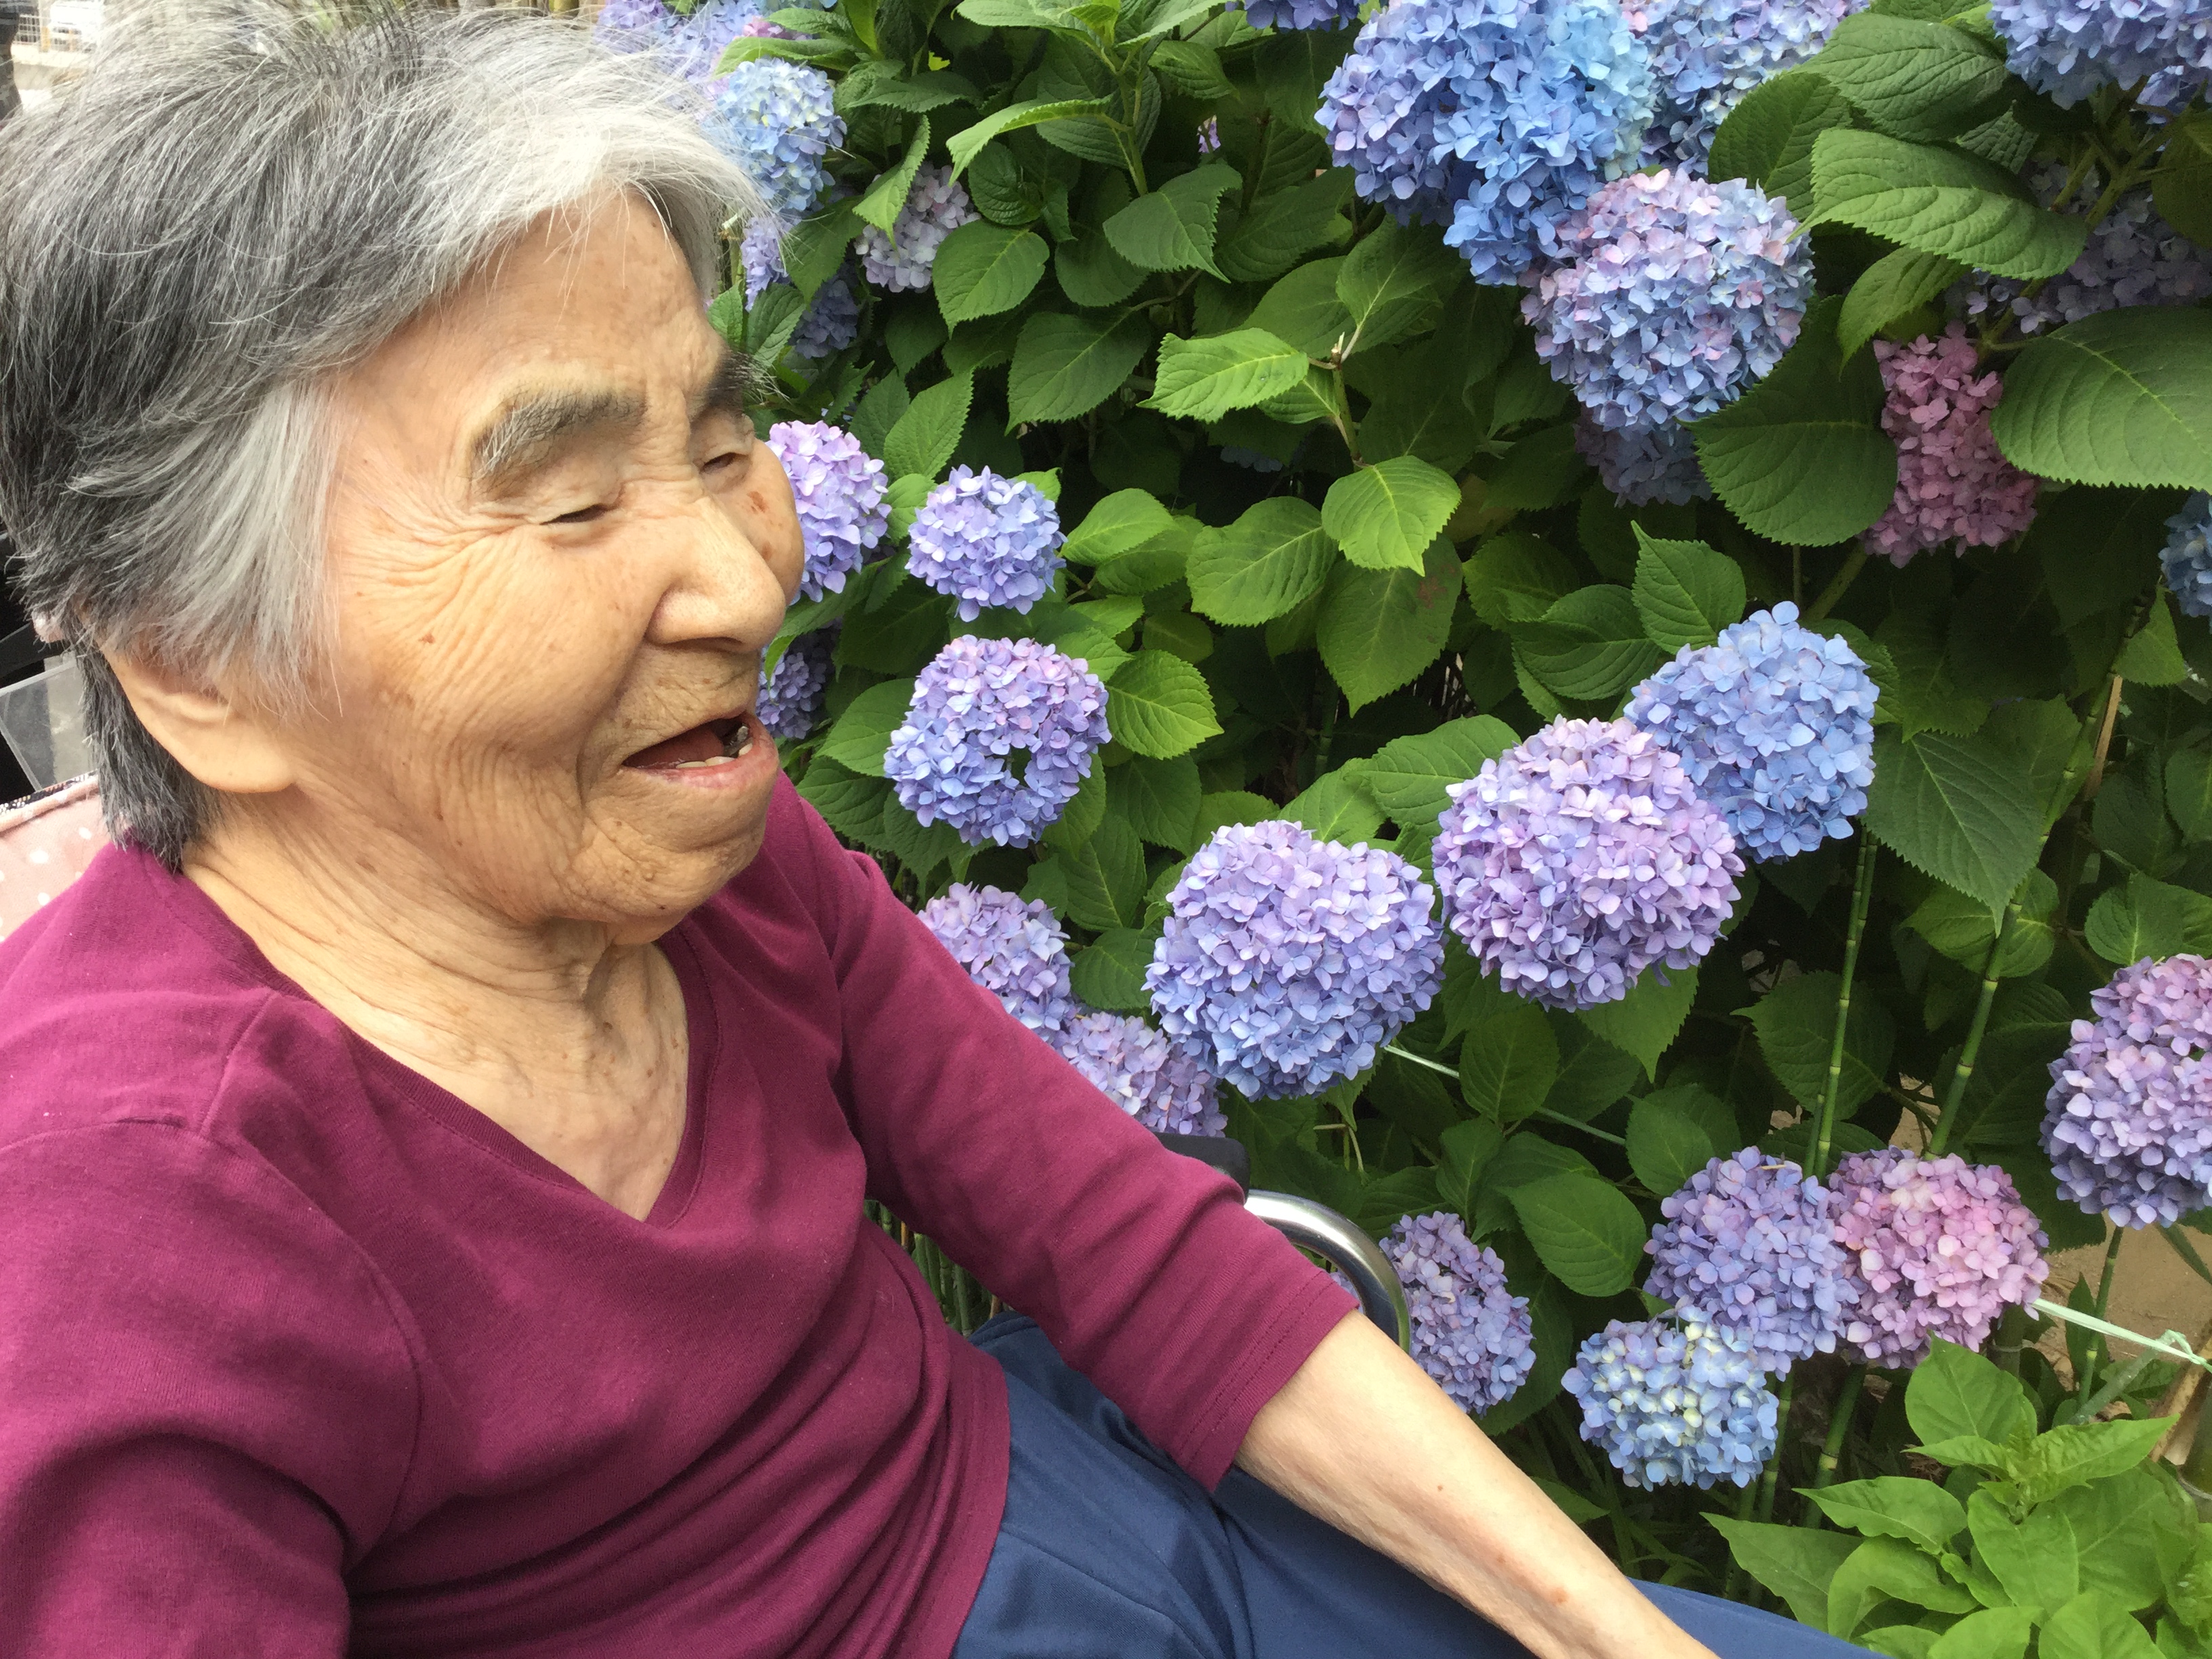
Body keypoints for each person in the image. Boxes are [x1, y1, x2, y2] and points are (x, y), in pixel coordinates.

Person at [0, 9, 1866, 1658]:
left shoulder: (695, 854)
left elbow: (1129, 1248)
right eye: (567, 504)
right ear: (200, 664)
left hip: (1109, 1518)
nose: (747, 583)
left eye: (721, 448)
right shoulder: (126, 1229)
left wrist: (1622, 1644)